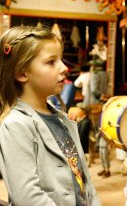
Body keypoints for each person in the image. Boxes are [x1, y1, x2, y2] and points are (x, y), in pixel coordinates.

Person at [0, 26, 100, 206]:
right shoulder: (16, 125)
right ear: (22, 73)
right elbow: (27, 197)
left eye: (60, 59)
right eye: (51, 62)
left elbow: (85, 180)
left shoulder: (63, 119)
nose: (64, 68)